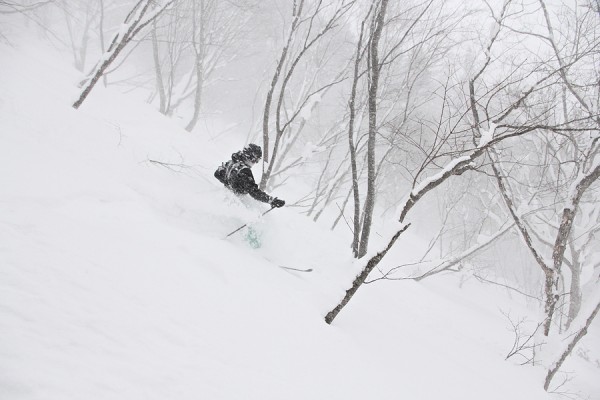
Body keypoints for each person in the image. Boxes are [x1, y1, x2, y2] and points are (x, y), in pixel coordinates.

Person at [214, 143, 285, 208]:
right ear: (249, 156)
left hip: (227, 198)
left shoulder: (232, 163)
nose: (255, 163)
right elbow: (254, 192)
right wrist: (271, 200)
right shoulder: (244, 171)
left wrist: (230, 184)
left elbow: (217, 174)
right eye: (255, 160)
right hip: (237, 204)